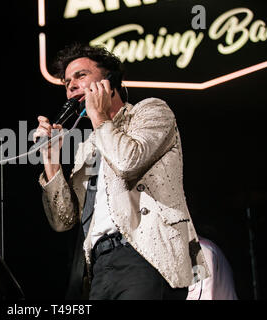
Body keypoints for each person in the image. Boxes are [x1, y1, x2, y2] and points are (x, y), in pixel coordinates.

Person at [34, 43, 209, 300]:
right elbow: (63, 220)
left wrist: (100, 116)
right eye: (67, 82)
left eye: (81, 75)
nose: (71, 85)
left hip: (145, 255)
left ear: (109, 81)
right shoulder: (87, 148)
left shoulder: (150, 112)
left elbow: (128, 163)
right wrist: (51, 160)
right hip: (99, 267)